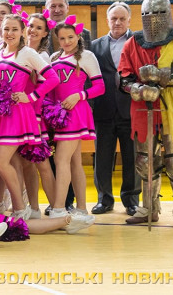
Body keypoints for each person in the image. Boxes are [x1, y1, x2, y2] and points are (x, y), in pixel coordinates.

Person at [119, 0, 173, 232]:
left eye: (157, 13)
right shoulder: (133, 43)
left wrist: (162, 75)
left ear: (167, 13)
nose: (153, 18)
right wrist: (137, 89)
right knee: (145, 161)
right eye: (147, 13)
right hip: (142, 109)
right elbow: (124, 76)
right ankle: (149, 207)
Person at [0, 14, 59, 220]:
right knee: (11, 162)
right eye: (6, 29)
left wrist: (31, 97)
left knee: (1, 161)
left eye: (14, 29)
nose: (9, 33)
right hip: (2, 116)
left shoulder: (27, 53)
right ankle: (23, 209)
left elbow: (53, 78)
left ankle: (23, 209)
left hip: (19, 115)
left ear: (22, 32)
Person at [49, 17, 105, 219]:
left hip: (76, 112)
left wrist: (79, 95)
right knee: (74, 162)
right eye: (62, 38)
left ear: (78, 36)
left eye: (70, 37)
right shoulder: (54, 57)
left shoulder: (86, 56)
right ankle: (81, 208)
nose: (66, 42)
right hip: (59, 114)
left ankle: (58, 208)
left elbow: (100, 87)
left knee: (60, 159)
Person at [89, 2, 139, 216]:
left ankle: (131, 200)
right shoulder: (94, 46)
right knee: (102, 158)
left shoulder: (139, 42)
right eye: (113, 19)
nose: (117, 22)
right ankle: (104, 200)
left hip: (131, 109)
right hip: (103, 109)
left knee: (132, 158)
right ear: (107, 20)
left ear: (129, 20)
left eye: (122, 18)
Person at [22, 13, 57, 218]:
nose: (33, 30)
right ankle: (34, 208)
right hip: (19, 116)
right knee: (27, 164)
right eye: (30, 25)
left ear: (45, 33)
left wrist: (32, 98)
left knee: (42, 163)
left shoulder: (41, 56)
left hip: (34, 116)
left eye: (38, 28)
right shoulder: (18, 51)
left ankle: (56, 208)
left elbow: (49, 84)